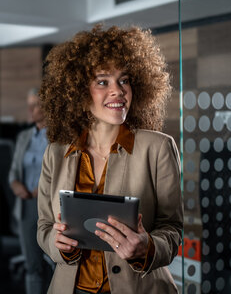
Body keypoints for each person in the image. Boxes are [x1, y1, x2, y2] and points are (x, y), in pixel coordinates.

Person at [36, 25, 183, 294]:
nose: (118, 90)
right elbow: (44, 226)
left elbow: (172, 229)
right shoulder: (55, 153)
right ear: (80, 94)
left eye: (124, 80)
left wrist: (146, 247)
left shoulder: (159, 148)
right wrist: (56, 244)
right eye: (103, 82)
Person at [8, 88, 50, 294]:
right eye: (29, 104)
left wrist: (41, 189)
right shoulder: (24, 137)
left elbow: (64, 174)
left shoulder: (59, 137)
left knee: (57, 266)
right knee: (32, 266)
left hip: (49, 208)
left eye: (36, 104)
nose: (30, 109)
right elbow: (13, 172)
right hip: (25, 208)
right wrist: (15, 184)